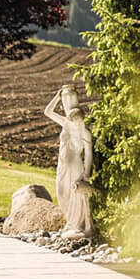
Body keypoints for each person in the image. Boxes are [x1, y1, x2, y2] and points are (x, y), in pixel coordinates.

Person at [43, 84, 95, 237]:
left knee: (76, 196)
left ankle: (78, 224)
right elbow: (48, 112)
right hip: (62, 165)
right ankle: (70, 222)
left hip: (75, 166)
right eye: (65, 100)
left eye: (69, 99)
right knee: (62, 192)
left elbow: (89, 154)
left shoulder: (85, 132)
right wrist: (57, 97)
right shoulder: (66, 122)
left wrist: (86, 173)